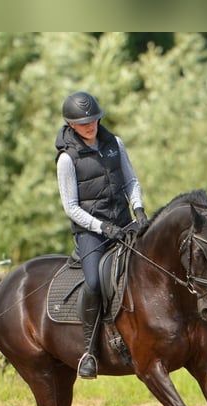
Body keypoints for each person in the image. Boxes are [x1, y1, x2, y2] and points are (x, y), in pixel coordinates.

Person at [55, 91, 150, 379]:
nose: (90, 125)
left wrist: (139, 209)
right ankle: (89, 351)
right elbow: (71, 207)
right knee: (95, 283)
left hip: (124, 222)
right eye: (83, 123)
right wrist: (101, 227)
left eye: (94, 120)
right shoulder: (67, 160)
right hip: (91, 234)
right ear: (71, 125)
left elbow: (131, 180)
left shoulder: (114, 144)